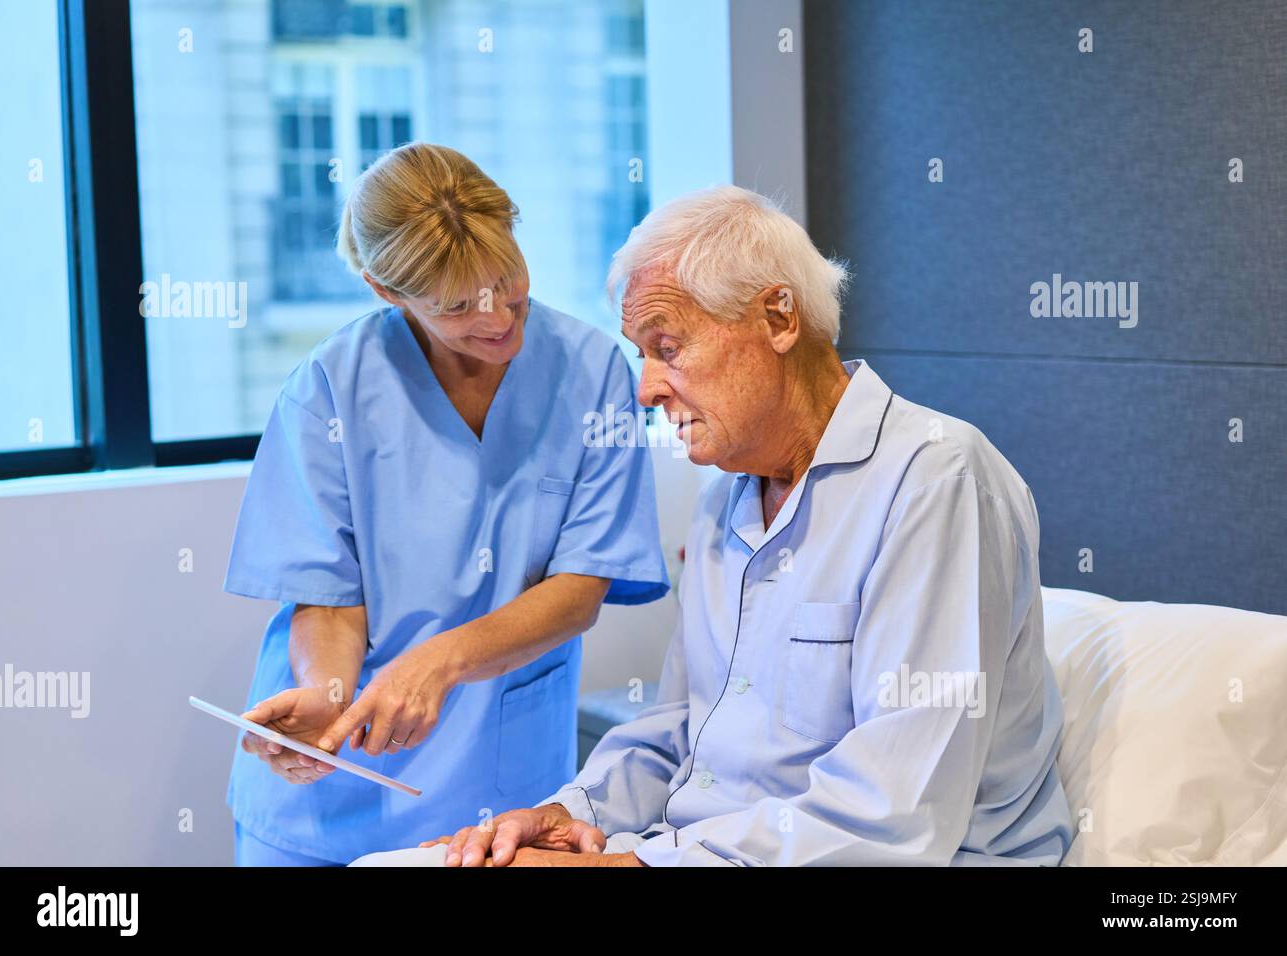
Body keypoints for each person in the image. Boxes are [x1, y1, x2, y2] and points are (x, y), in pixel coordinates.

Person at [384, 184, 1072, 867]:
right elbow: (678, 731)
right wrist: (571, 816)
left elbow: (891, 813)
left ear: (778, 318)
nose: (645, 389)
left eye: (668, 346)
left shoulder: (935, 481)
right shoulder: (727, 503)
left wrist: (627, 867)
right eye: (640, 354)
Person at [222, 143, 668, 865]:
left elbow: (582, 589)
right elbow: (328, 597)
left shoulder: (592, 373)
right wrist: (329, 696)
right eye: (458, 304)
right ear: (387, 291)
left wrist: (442, 660)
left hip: (495, 800)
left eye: (506, 279)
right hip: (332, 799)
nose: (496, 316)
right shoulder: (329, 389)